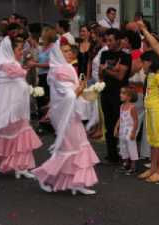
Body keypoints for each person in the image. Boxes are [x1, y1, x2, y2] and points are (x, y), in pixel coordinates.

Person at [32, 37, 100, 194]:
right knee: (69, 149)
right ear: (57, 53)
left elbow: (70, 94)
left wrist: (84, 91)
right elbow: (69, 95)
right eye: (65, 51)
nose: (69, 53)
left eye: (70, 50)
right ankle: (43, 175)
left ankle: (76, 183)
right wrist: (81, 89)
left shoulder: (64, 67)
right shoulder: (59, 70)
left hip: (70, 113)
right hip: (65, 115)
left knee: (78, 146)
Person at [0, 36, 42, 178]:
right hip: (10, 108)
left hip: (16, 107)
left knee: (19, 136)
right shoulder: (7, 65)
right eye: (19, 49)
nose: (22, 51)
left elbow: (19, 80)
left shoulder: (11, 64)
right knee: (7, 135)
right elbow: (18, 75)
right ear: (10, 50)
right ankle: (11, 166)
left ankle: (20, 166)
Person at [99, 28, 131, 163]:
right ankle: (112, 154)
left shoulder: (125, 57)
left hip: (119, 95)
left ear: (118, 41)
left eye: (111, 40)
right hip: (105, 92)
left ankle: (126, 155)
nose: (108, 43)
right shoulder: (104, 54)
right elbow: (100, 74)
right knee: (109, 124)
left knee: (122, 124)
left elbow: (120, 76)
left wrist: (106, 69)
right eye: (106, 40)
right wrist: (109, 70)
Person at [138, 50, 159, 183]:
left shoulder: (158, 75)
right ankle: (153, 168)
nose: (142, 66)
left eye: (143, 63)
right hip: (150, 111)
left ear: (150, 62)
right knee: (152, 140)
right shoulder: (150, 75)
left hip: (156, 111)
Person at [27, 26, 56, 127]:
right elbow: (40, 60)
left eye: (43, 35)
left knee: (46, 100)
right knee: (40, 98)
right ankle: (41, 123)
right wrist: (32, 63)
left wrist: (35, 64)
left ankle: (49, 123)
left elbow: (51, 63)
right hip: (41, 75)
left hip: (48, 76)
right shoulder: (44, 47)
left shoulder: (53, 47)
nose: (41, 37)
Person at [114, 87, 139, 175]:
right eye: (121, 93)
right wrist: (116, 127)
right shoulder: (121, 106)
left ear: (129, 97)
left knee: (131, 147)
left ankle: (133, 166)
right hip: (122, 130)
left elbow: (136, 120)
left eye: (123, 93)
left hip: (129, 130)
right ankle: (126, 164)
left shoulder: (132, 107)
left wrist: (133, 132)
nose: (120, 95)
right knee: (123, 146)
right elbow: (120, 118)